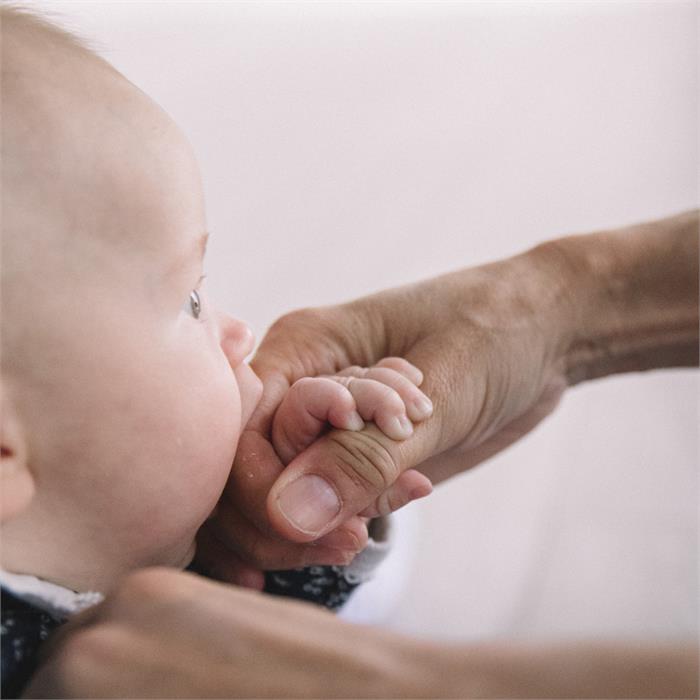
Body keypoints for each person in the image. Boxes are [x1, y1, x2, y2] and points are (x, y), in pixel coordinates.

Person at [27, 206, 698, 698]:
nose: (238, 331)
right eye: (190, 302)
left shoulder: (137, 534)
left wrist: (324, 479)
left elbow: (269, 644)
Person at [0, 7, 434, 697]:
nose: (236, 332)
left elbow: (253, 652)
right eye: (189, 303)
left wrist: (307, 516)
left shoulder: (144, 567)